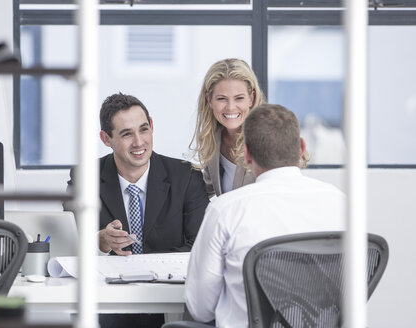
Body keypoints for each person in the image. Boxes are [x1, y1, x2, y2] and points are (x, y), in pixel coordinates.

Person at [185, 104, 345, 328]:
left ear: (247, 154)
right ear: (301, 147)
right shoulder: (340, 203)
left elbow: (200, 309)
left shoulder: (226, 211)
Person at [65, 92, 209, 328]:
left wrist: (142, 269)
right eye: (126, 134)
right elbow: (69, 243)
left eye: (143, 129)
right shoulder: (84, 179)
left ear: (152, 126)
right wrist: (100, 241)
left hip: (169, 299)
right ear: (106, 138)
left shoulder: (186, 176)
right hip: (110, 302)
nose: (139, 142)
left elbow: (199, 246)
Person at [189, 58, 266, 198]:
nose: (230, 107)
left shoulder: (267, 140)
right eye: (222, 99)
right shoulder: (214, 138)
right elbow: (208, 189)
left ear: (251, 98)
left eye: (239, 98)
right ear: (209, 100)